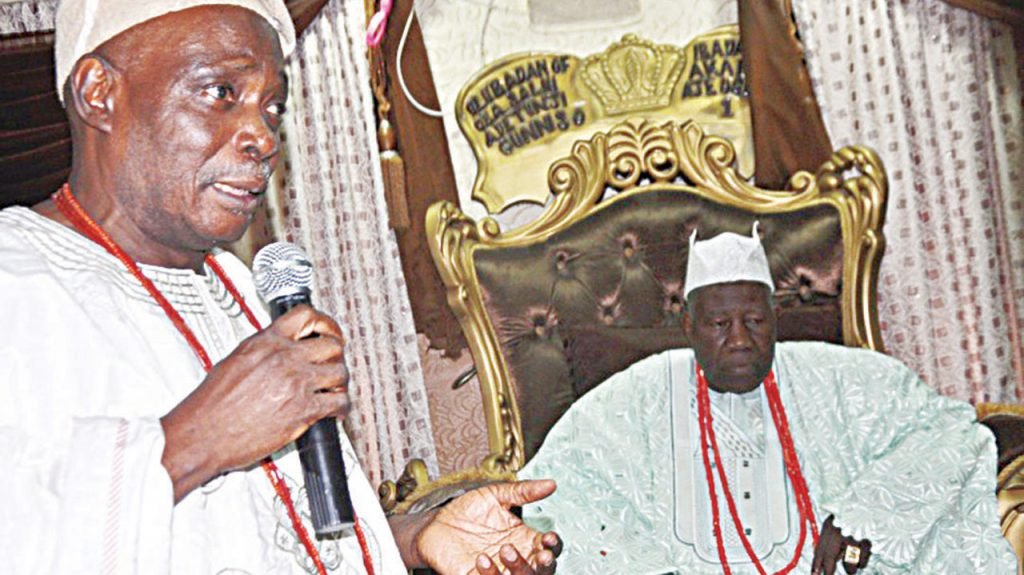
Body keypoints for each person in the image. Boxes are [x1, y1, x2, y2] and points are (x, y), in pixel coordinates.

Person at [0, 1, 560, 573]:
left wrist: (416, 538)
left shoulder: (235, 284)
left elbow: (254, 538)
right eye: (220, 93)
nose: (263, 138)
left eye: (272, 108)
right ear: (99, 92)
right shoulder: (15, 280)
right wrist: (198, 439)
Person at [518, 225, 1016, 574]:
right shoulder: (633, 398)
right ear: (689, 326)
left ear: (775, 319)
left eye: (755, 321)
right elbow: (557, 487)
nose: (739, 339)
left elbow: (950, 429)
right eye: (719, 324)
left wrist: (869, 514)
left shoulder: (842, 377)